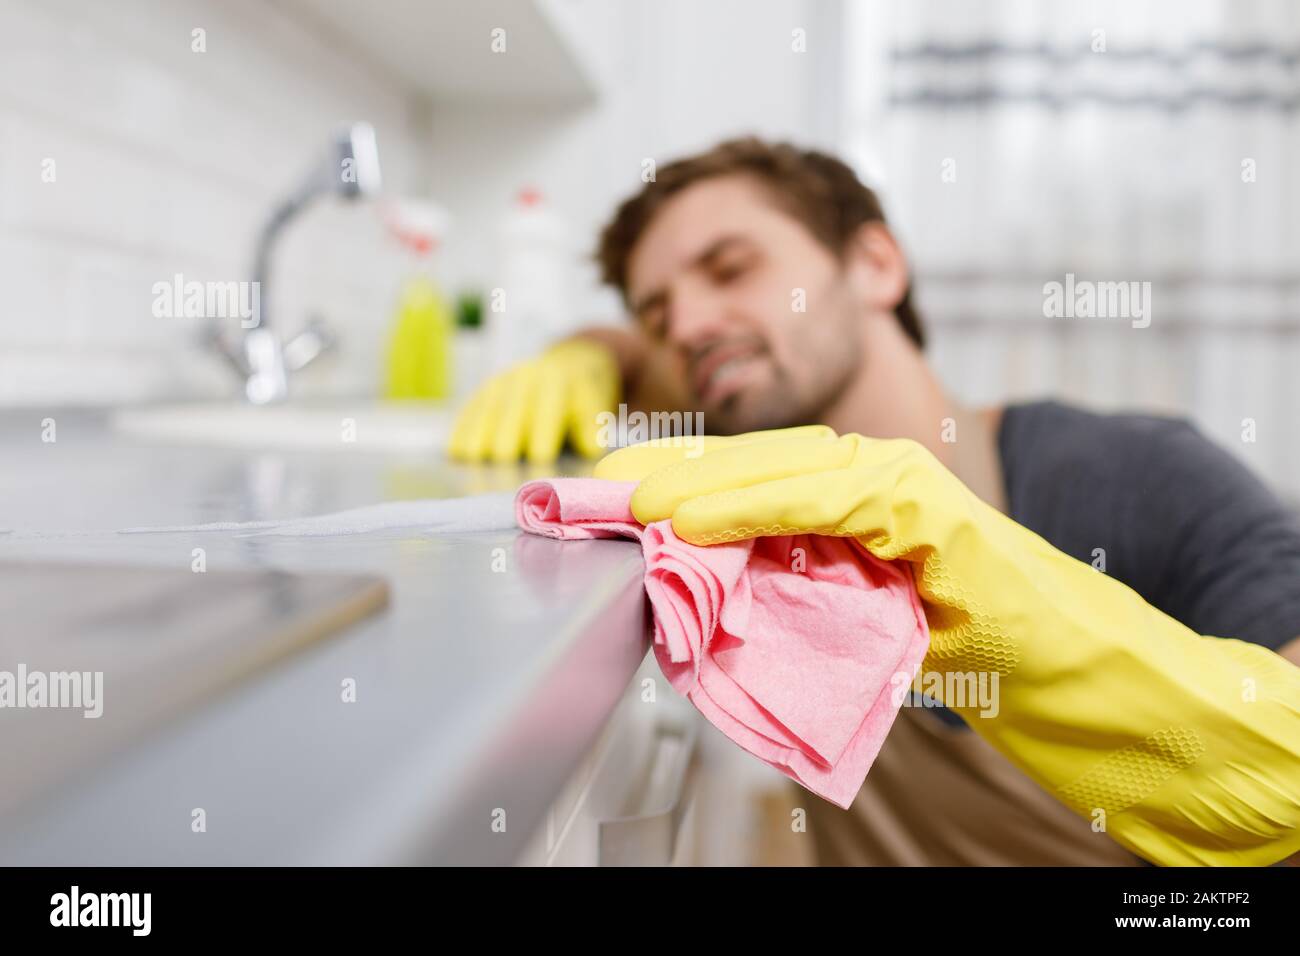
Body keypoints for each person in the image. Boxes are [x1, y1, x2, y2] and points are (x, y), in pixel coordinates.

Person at [451, 137, 1300, 866]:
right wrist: (583, 354)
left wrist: (1009, 609)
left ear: (876, 265)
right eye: (658, 311)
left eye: (731, 269)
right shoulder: (764, 507)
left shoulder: (1142, 476)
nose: (690, 325)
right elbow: (644, 354)